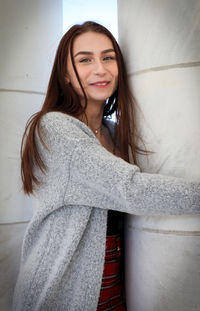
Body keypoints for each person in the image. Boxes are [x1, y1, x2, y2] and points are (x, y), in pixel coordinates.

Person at [13, 21, 200, 311]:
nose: (100, 69)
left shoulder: (113, 132)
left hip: (112, 289)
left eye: (108, 57)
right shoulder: (55, 128)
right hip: (62, 291)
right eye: (84, 59)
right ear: (65, 73)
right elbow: (131, 189)